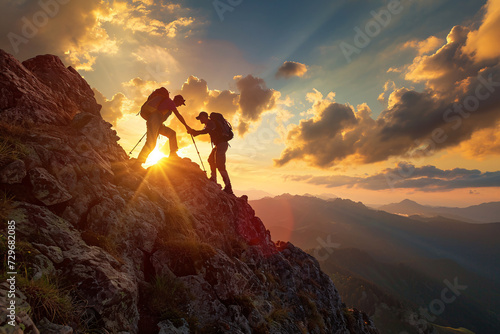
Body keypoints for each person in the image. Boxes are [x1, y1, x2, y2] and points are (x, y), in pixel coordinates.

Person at [135, 92, 191, 166]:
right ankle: (138, 162)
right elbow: (178, 115)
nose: (180, 105)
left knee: (172, 133)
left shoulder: (169, 104)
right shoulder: (171, 102)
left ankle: (173, 154)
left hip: (157, 122)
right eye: (181, 102)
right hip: (155, 120)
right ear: (177, 100)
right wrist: (187, 126)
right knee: (151, 143)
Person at [189, 111, 233, 195]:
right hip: (219, 145)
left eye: (201, 118)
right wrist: (195, 132)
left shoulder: (211, 123)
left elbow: (206, 131)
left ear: (205, 117)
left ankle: (228, 187)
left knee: (220, 166)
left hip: (221, 144)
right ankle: (213, 178)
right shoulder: (210, 124)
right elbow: (205, 130)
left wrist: (195, 132)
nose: (200, 120)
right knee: (210, 160)